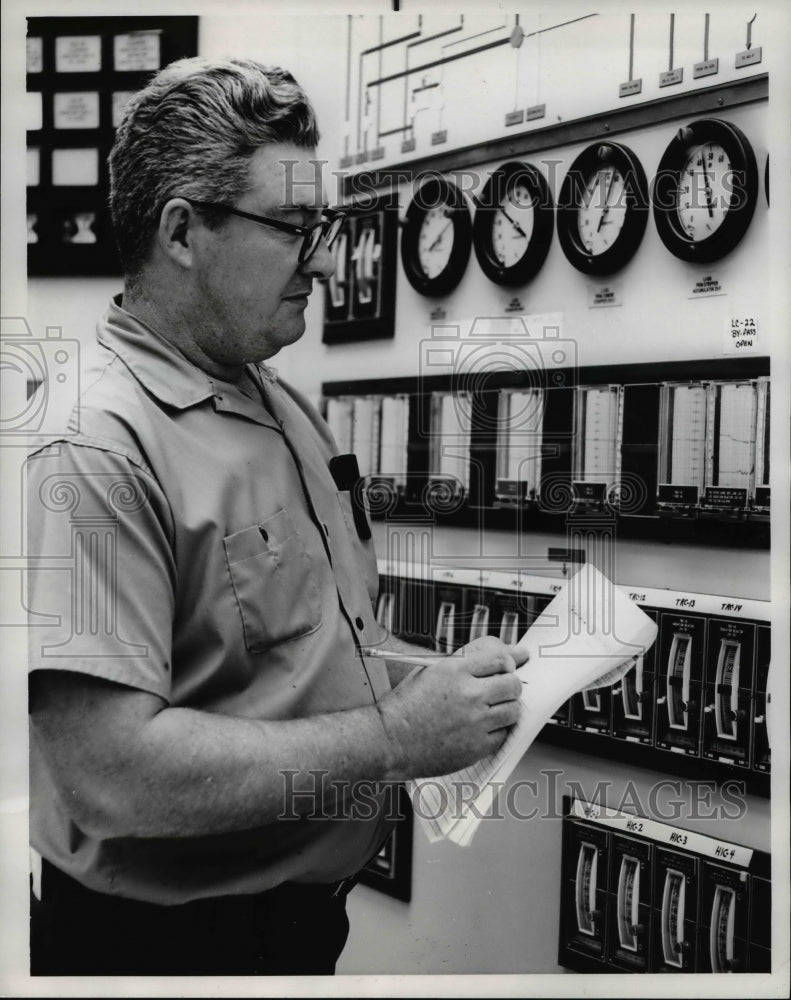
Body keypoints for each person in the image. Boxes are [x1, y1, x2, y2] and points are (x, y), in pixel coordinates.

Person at [25, 57, 526, 977]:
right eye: (294, 228)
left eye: (323, 225)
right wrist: (399, 738)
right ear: (183, 231)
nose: (327, 258)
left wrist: (439, 689)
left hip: (295, 934)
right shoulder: (94, 448)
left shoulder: (280, 406)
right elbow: (110, 776)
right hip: (158, 956)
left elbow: (285, 655)